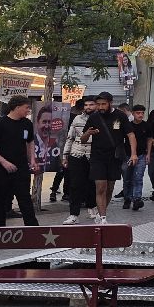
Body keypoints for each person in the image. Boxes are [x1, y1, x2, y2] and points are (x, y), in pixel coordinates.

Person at [0, 95, 39, 227]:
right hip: (0, 169)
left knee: (25, 198)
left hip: (21, 167)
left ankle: (33, 228)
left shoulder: (27, 124)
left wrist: (32, 159)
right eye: (26, 108)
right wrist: (3, 161)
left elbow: (30, 142)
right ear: (17, 107)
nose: (28, 111)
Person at [83, 91, 136, 224]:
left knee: (110, 188)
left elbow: (130, 135)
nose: (100, 107)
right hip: (97, 157)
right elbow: (83, 139)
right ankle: (103, 218)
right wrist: (88, 133)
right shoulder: (94, 117)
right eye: (98, 104)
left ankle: (101, 212)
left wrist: (134, 153)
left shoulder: (120, 116)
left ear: (110, 103)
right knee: (101, 187)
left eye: (103, 104)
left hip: (114, 157)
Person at [60, 96, 98, 224]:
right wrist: (65, 156)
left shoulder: (101, 119)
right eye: (86, 105)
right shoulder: (77, 119)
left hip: (94, 155)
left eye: (91, 105)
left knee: (92, 184)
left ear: (96, 105)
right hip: (77, 154)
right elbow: (70, 137)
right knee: (75, 185)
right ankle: (73, 214)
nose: (88, 107)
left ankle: (92, 207)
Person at [122, 105, 149, 210]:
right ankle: (127, 198)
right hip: (127, 155)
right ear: (133, 113)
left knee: (138, 178)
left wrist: (148, 154)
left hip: (141, 155)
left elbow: (149, 140)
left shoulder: (146, 125)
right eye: (138, 113)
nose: (140, 115)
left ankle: (137, 199)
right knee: (127, 178)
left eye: (142, 113)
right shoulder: (128, 125)